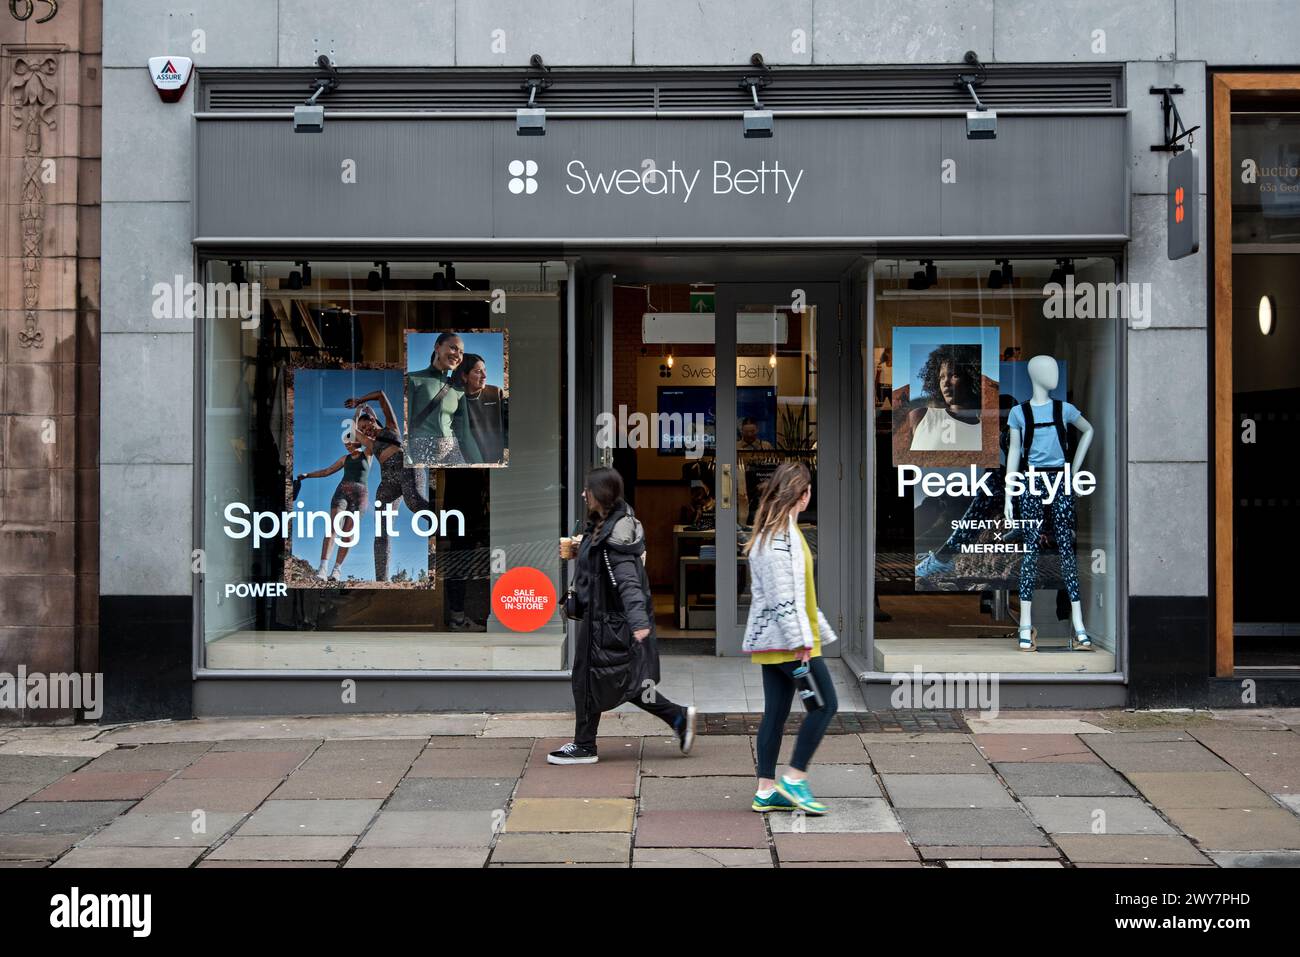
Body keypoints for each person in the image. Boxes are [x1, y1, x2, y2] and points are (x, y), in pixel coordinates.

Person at [550, 467, 697, 765]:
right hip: (602, 621)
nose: (582, 494)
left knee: (595, 681)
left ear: (599, 494)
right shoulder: (606, 523)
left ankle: (585, 746)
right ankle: (677, 717)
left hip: (609, 623)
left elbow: (628, 581)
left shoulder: (615, 534)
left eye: (587, 489)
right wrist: (583, 549)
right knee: (617, 682)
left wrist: (639, 621)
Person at [742, 460, 839, 814]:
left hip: (782, 640)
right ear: (803, 495)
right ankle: (795, 778)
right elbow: (784, 596)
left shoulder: (780, 532)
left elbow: (799, 594)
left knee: (776, 713)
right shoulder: (779, 538)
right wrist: (802, 642)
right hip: (790, 643)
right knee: (825, 705)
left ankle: (765, 790)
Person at [344, 390, 433, 583]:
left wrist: (360, 400)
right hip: (388, 482)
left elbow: (382, 395)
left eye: (367, 425)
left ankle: (445, 524)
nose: (366, 430)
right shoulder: (370, 442)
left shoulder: (391, 427)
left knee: (414, 502)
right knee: (381, 532)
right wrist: (357, 415)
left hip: (407, 468)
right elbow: (351, 435)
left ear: (375, 420)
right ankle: (381, 580)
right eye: (363, 429)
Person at [295, 415, 371, 581]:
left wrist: (357, 416)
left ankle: (337, 570)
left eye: (350, 441)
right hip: (342, 492)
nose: (348, 445)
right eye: (345, 444)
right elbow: (327, 471)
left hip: (360, 497)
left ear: (358, 440)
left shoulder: (368, 454)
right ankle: (322, 569)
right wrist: (308, 475)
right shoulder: (345, 459)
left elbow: (364, 436)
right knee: (333, 529)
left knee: (348, 534)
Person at [406, 332, 482, 466]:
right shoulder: (413, 379)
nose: (458, 355)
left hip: (453, 452)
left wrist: (480, 463)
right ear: (437, 347)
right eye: (453, 348)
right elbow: (404, 426)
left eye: (461, 352)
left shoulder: (458, 391)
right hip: (421, 451)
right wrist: (407, 459)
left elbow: (465, 435)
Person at [906, 344, 982, 452]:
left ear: (972, 378)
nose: (945, 383)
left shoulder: (986, 431)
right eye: (942, 377)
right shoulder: (919, 417)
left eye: (954, 375)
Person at [452, 352, 506, 465]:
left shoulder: (495, 392)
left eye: (485, 370)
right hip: (468, 461)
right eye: (478, 372)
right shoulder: (453, 399)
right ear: (464, 375)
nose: (485, 376)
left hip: (495, 460)